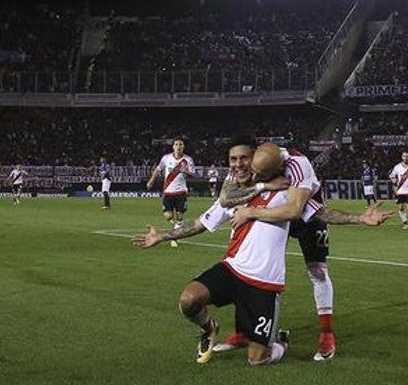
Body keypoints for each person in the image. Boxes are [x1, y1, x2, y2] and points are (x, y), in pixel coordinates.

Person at [133, 137, 392, 365]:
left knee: (316, 272)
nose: (240, 167)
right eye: (234, 160)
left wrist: (360, 218)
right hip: (233, 269)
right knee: (188, 300)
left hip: (264, 281)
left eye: (244, 160)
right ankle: (218, 329)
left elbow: (317, 212)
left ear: (260, 162)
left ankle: (299, 338)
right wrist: (163, 235)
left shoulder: (291, 183)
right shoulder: (240, 189)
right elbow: (204, 220)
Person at [227, 143, 393, 361]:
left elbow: (303, 211)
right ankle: (245, 329)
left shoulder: (298, 166)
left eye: (261, 174)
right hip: (270, 211)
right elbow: (226, 197)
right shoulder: (250, 161)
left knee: (317, 271)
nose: (254, 175)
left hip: (305, 214)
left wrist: (359, 218)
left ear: (277, 167)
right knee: (251, 265)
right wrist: (259, 190)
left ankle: (326, 333)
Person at [146, 138, 196, 230]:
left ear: (184, 147)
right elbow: (158, 169)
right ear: (173, 147)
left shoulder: (188, 160)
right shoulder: (166, 158)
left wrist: (185, 171)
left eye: (181, 144)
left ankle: (176, 231)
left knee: (179, 215)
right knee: (168, 216)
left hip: (181, 191)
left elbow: (194, 174)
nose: (178, 146)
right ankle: (177, 225)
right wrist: (151, 180)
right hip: (168, 190)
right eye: (176, 144)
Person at [389, 151, 408, 230]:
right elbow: (392, 175)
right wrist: (393, 180)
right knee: (401, 208)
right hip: (400, 190)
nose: (405, 158)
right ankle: (405, 223)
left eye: (407, 156)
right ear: (402, 157)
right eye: (404, 156)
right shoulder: (397, 167)